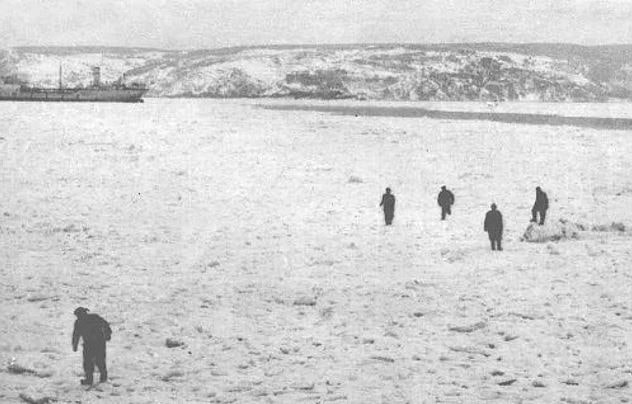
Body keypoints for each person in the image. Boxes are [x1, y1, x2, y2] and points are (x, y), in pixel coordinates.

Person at [72, 307, 112, 385]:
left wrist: (107, 334)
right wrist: (75, 345)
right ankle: (92, 379)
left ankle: (100, 377)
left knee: (98, 361)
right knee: (90, 362)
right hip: (92, 344)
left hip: (97, 343)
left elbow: (105, 325)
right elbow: (76, 335)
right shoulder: (82, 321)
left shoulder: (93, 318)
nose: (79, 317)